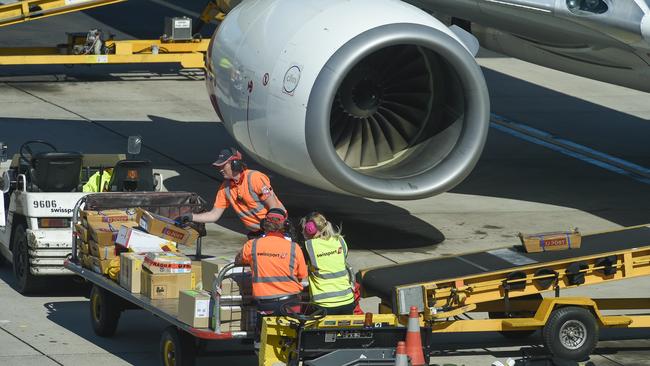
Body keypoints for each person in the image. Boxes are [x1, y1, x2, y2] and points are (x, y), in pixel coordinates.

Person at [177, 148, 284, 238]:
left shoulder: (255, 178)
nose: (220, 169)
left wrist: (270, 228)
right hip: (257, 233)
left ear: (235, 164)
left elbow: (274, 207)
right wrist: (191, 217)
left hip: (275, 230)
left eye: (223, 165)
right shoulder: (225, 188)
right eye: (219, 166)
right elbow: (214, 215)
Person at [235, 208, 307, 327]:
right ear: (285, 225)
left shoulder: (252, 245)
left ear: (264, 224)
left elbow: (238, 260)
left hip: (266, 304)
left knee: (264, 340)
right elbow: (301, 275)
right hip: (291, 302)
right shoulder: (294, 248)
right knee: (292, 337)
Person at [300, 212, 355, 315]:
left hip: (324, 304)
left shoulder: (309, 246)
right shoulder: (340, 240)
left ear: (309, 228)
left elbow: (299, 269)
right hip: (347, 300)